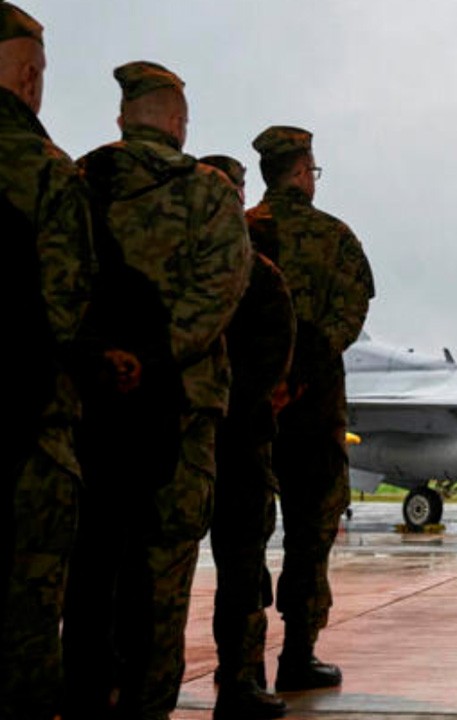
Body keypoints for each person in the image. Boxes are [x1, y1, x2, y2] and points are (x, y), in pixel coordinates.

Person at [62, 61, 251, 720]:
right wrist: (153, 359)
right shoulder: (208, 192)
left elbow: (54, 285)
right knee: (163, 575)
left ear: (122, 115)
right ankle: (146, 708)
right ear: (177, 120)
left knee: (84, 574)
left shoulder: (77, 181)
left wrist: (98, 360)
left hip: (81, 410)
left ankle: (84, 699)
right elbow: (221, 292)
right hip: (177, 415)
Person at [247, 125, 374, 691]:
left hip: (248, 407)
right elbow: (351, 315)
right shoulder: (336, 237)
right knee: (309, 532)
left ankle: (242, 663)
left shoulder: (241, 231)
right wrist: (306, 366)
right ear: (302, 173)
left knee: (243, 530)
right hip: (314, 410)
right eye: (312, 170)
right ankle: (297, 654)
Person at [0, 4, 94, 717]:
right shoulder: (46, 170)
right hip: (29, 428)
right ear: (30, 76)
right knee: (28, 617)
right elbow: (69, 310)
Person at [199, 154, 294, 719]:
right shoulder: (256, 272)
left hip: (175, 435)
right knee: (241, 566)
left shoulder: (163, 260)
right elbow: (272, 359)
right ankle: (240, 681)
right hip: (235, 440)